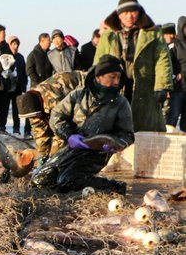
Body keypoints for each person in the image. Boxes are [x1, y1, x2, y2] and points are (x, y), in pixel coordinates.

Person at [31, 55, 133, 194]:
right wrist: (69, 135)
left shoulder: (121, 103)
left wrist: (114, 144)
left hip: (96, 153)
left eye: (118, 77)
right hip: (72, 146)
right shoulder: (79, 94)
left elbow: (127, 134)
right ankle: (82, 181)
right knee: (39, 179)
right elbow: (56, 116)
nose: (116, 81)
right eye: (112, 76)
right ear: (99, 77)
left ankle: (114, 186)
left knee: (66, 180)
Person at [95, 0, 172, 132]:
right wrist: (94, 85)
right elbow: (98, 62)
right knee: (115, 127)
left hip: (145, 86)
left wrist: (162, 85)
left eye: (133, 12)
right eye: (125, 13)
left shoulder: (152, 33)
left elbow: (163, 59)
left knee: (145, 129)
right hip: (116, 87)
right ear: (119, 15)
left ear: (139, 12)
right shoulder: (108, 36)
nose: (129, 16)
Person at [16, 69, 86, 162]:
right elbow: (40, 131)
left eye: (35, 116)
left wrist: (54, 153)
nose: (34, 119)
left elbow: (61, 126)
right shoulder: (30, 102)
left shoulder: (53, 101)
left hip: (84, 86)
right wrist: (42, 155)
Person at [165, 17, 186, 133]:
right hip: (178, 88)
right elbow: (166, 62)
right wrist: (173, 76)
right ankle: (168, 141)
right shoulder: (174, 45)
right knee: (173, 115)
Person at [8, 35, 28, 135]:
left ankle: (16, 129)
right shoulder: (6, 56)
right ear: (10, 45)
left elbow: (24, 72)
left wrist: (24, 85)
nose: (15, 46)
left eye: (17, 44)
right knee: (4, 109)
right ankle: (1, 127)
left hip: (18, 87)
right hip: (7, 88)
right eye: (13, 44)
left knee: (17, 110)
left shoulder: (20, 57)